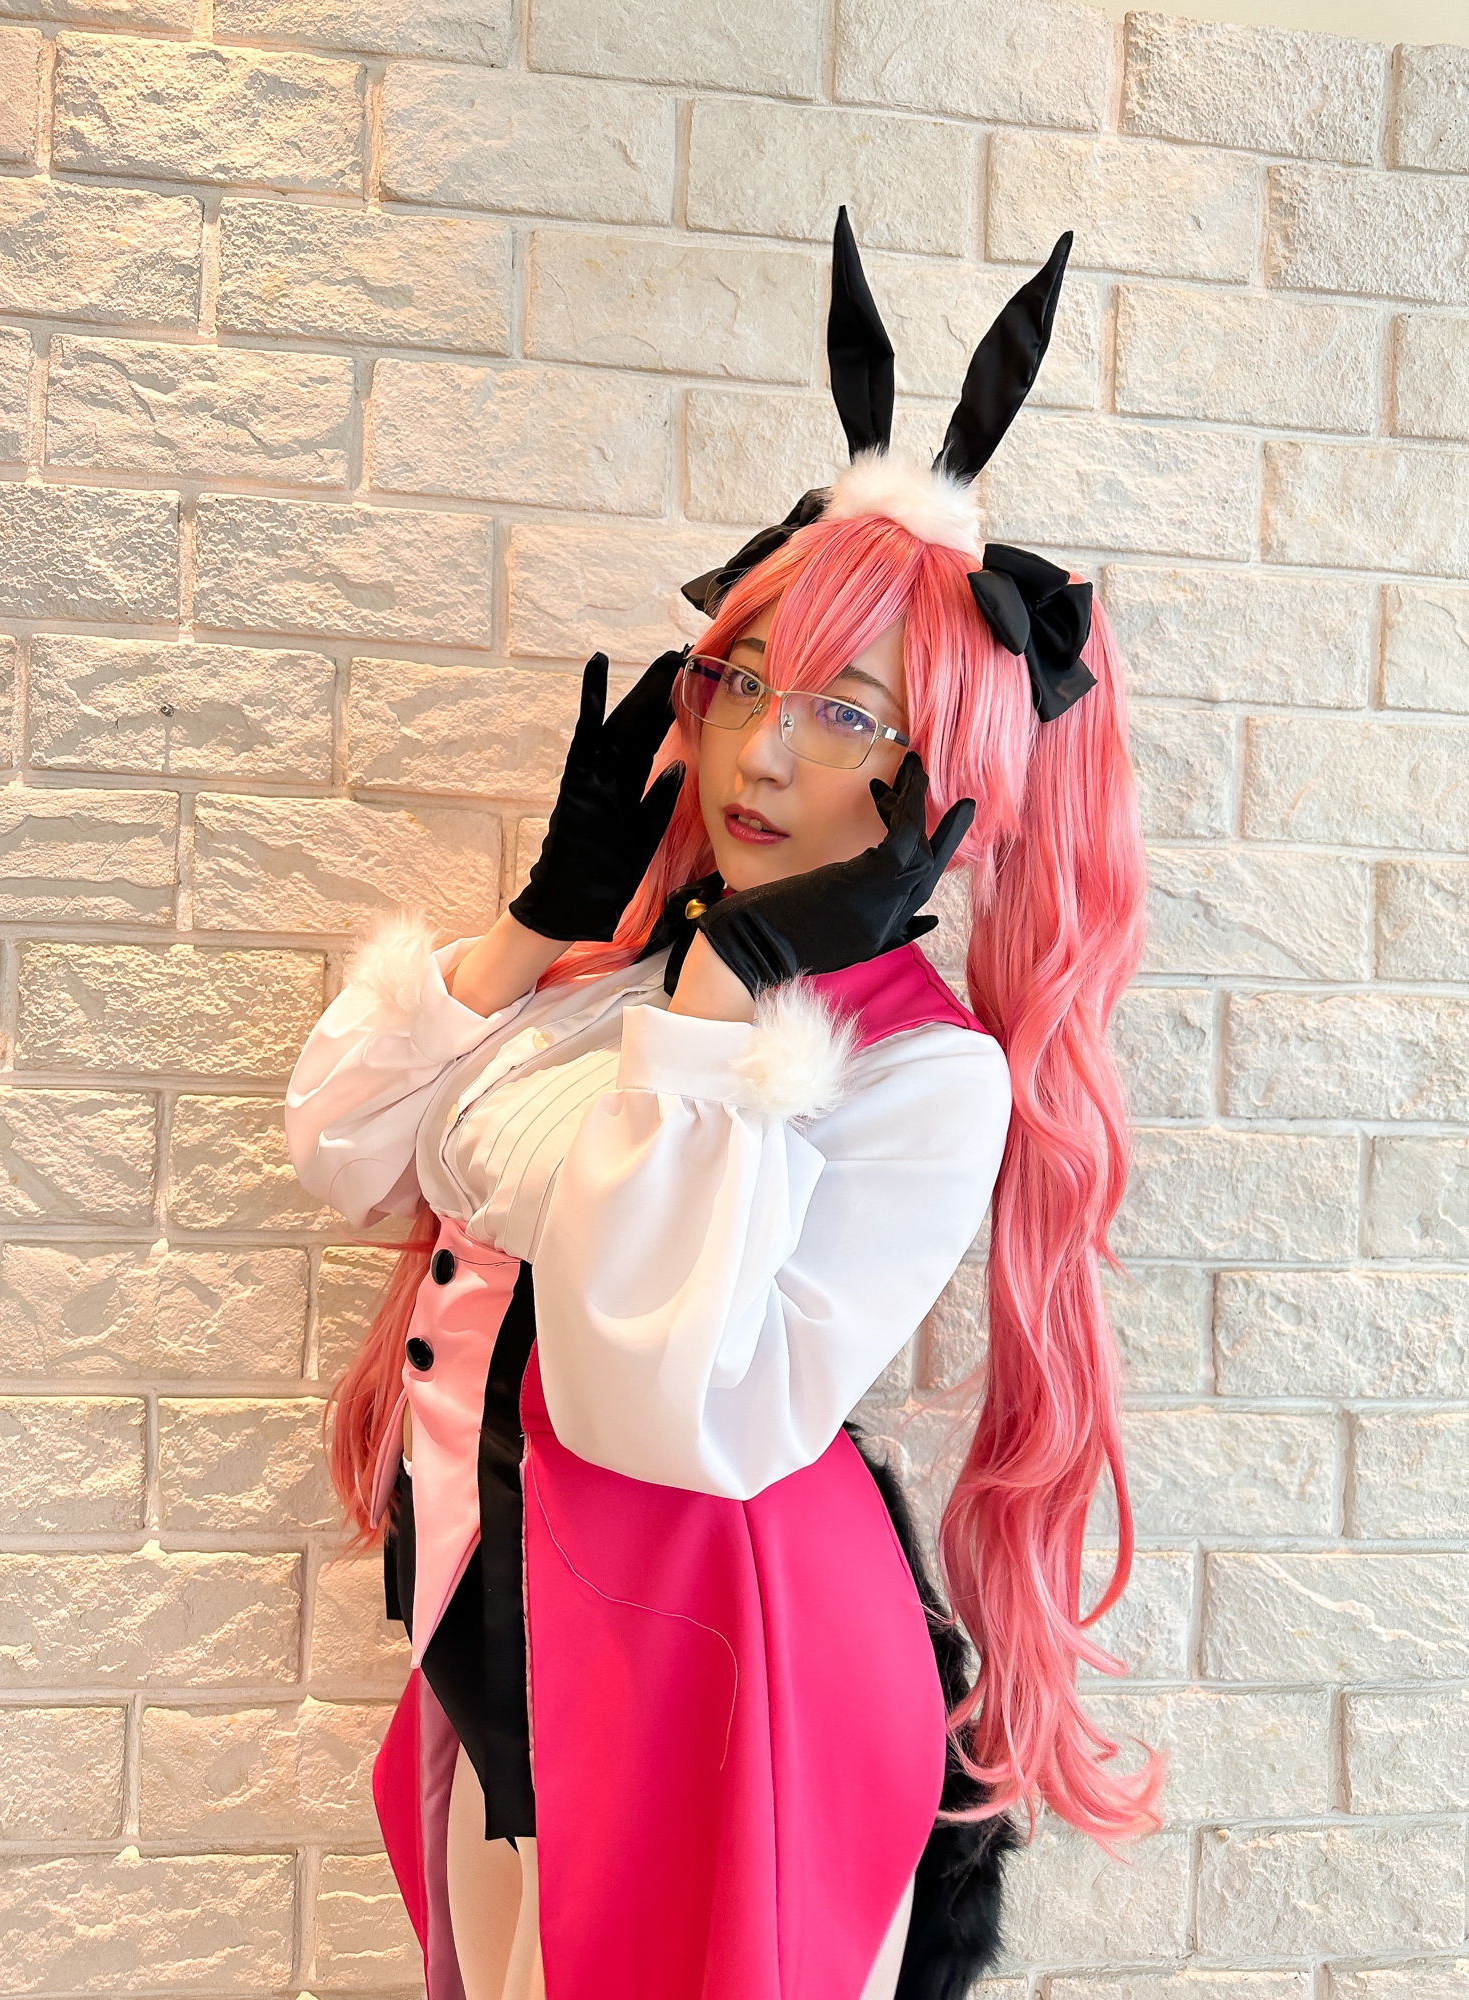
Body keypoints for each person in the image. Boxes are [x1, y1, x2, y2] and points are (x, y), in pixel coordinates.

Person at [285, 211, 1161, 2000]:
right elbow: (350, 1157)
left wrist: (722, 1006)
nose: (763, 751)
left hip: (717, 1662)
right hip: (521, 1639)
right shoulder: (634, 967)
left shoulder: (926, 1074)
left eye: (847, 713)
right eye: (745, 682)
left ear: (946, 781)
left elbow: (654, 1412)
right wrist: (540, 928)